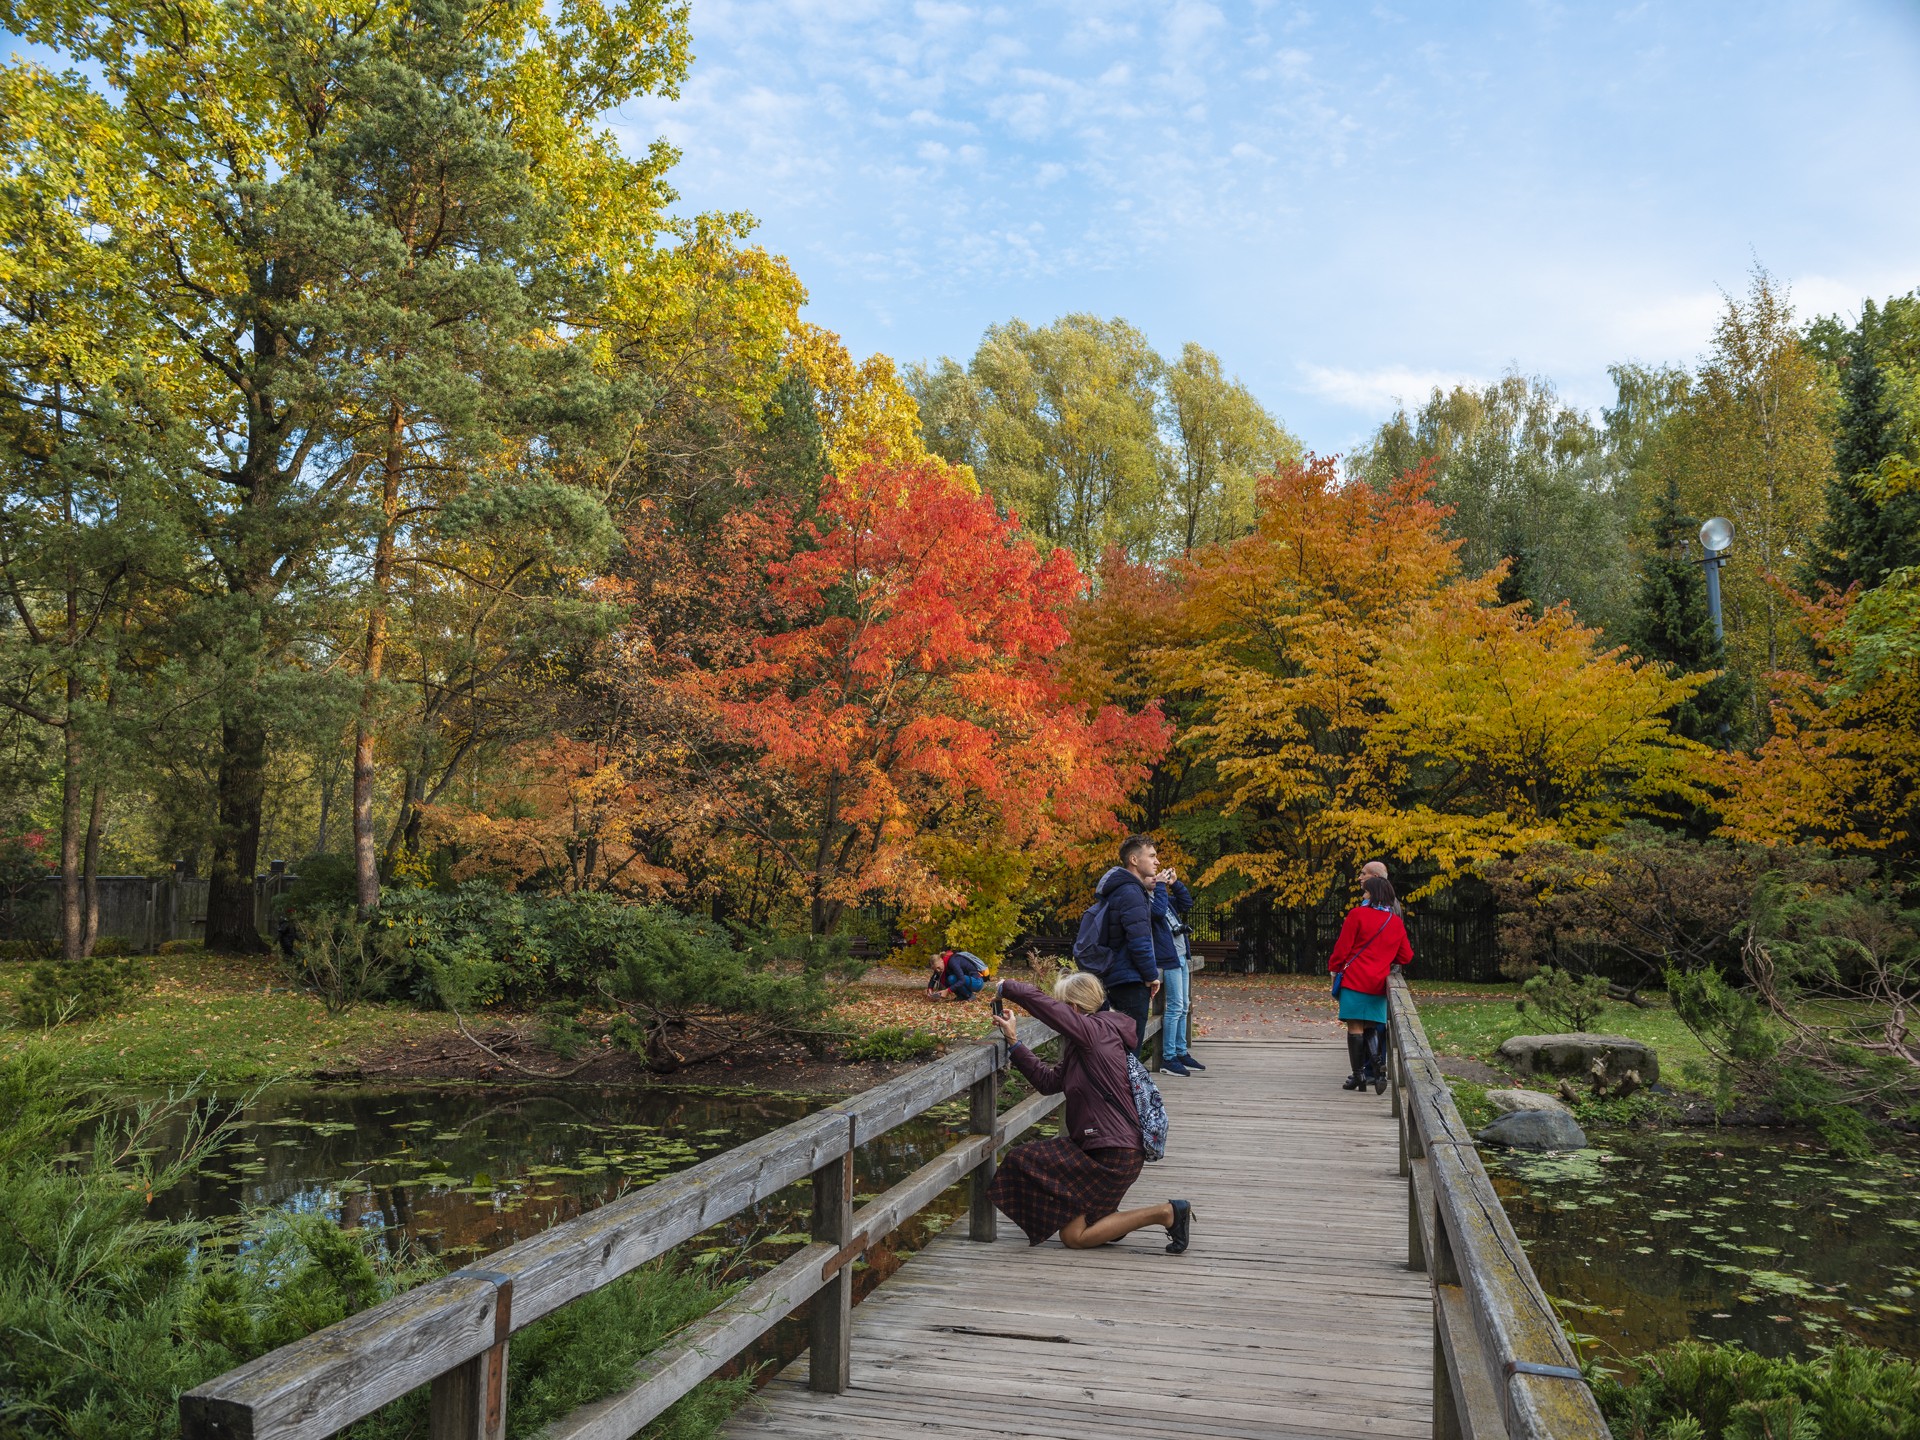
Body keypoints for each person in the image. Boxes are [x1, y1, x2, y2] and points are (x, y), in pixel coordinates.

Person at [988, 971, 1194, 1253]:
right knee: (1032, 1169)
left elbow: (1049, 1009)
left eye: (1064, 1006)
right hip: (1102, 1148)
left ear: (1073, 1008)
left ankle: (1166, 1213)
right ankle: (1108, 1220)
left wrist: (1007, 987)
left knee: (1073, 1236)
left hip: (1113, 1153)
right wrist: (1014, 1042)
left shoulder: (1095, 1033)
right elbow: (1048, 1082)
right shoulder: (1090, 1043)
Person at [1327, 874, 1412, 1093]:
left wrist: (1335, 966)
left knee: (1355, 1027)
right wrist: (1383, 958)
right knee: (1371, 1025)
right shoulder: (1395, 922)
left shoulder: (1357, 915)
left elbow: (1342, 948)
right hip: (1377, 982)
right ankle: (1378, 1069)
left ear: (1372, 894)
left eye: (1365, 892)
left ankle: (1359, 1077)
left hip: (1355, 979)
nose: (1363, 895)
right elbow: (1406, 956)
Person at [1083, 835, 1165, 1047]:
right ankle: (1127, 1082)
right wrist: (1151, 976)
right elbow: (1140, 941)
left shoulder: (1119, 890)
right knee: (1129, 1051)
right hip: (1129, 981)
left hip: (1116, 977)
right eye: (1152, 856)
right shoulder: (1131, 892)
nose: (1157, 861)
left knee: (1117, 1049)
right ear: (1134, 860)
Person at [1149, 865, 1203, 1075]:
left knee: (1184, 1006)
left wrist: (1175, 884)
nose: (1157, 879)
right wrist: (1161, 886)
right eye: (1154, 878)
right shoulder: (1148, 901)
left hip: (1180, 957)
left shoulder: (1163, 898)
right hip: (1168, 960)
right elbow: (1158, 913)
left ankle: (1181, 1052)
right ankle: (1168, 1058)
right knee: (1175, 1006)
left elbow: (1186, 903)